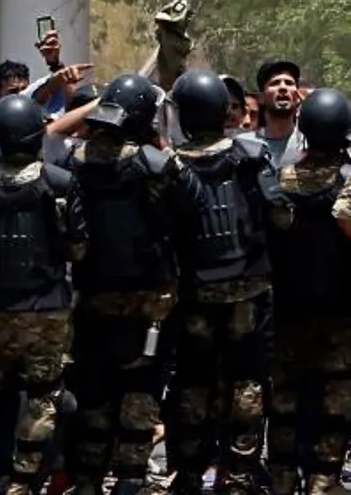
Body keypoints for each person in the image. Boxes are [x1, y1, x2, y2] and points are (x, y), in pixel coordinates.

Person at [0, 94, 85, 495]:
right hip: (46, 311)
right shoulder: (60, 183)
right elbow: (78, 248)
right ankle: (24, 482)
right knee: (44, 398)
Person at [163, 69, 289, 495]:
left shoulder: (171, 165)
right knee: (249, 383)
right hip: (250, 291)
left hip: (194, 294)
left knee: (193, 382)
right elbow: (280, 215)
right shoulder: (251, 155)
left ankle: (190, 473)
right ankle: (238, 476)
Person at [58, 73, 179, 495]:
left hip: (91, 294)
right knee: (141, 392)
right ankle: (130, 479)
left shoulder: (73, 161)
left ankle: (89, 479)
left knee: (94, 393)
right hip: (150, 298)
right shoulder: (155, 164)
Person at [267, 87, 351, 495]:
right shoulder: (348, 183)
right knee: (336, 408)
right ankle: (323, 484)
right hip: (339, 317)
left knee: (284, 405)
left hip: (289, 313)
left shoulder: (280, 181)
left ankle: (282, 481)